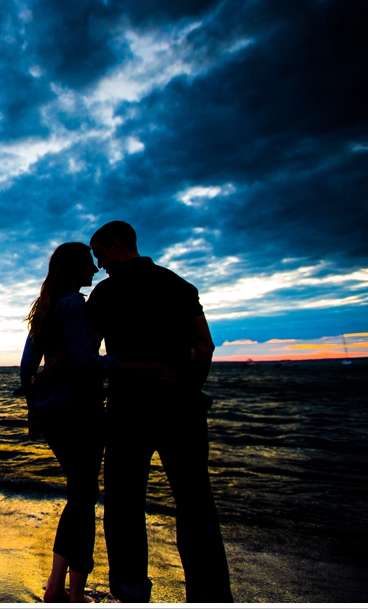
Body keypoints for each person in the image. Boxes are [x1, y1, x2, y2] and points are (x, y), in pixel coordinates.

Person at [86, 221, 233, 603]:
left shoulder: (105, 293)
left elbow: (89, 356)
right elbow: (205, 347)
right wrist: (188, 388)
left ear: (118, 246)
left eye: (99, 253)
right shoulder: (178, 285)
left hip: (127, 410)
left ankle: (131, 591)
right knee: (195, 501)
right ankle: (210, 594)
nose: (98, 264)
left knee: (123, 502)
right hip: (181, 407)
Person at [19, 242, 117, 603]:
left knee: (79, 496)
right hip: (80, 409)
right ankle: (72, 593)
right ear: (73, 267)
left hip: (51, 412)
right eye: (88, 264)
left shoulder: (44, 307)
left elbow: (26, 368)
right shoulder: (74, 303)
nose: (94, 269)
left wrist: (34, 410)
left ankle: (57, 585)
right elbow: (84, 359)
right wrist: (129, 367)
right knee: (83, 497)